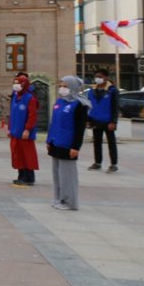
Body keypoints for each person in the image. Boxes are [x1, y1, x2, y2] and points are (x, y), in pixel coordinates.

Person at [47, 76, 90, 210]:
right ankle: (59, 198)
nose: (62, 88)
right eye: (60, 86)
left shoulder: (80, 104)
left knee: (67, 176)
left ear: (72, 87)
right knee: (57, 174)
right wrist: (49, 140)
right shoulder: (59, 102)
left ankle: (70, 202)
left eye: (65, 86)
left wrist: (75, 147)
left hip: (68, 143)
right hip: (55, 141)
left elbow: (80, 128)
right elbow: (53, 122)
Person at [8, 73, 39, 186]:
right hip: (15, 131)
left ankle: (29, 178)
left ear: (24, 84)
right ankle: (21, 176)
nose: (15, 85)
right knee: (17, 154)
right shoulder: (16, 97)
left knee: (27, 155)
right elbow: (12, 114)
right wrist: (10, 128)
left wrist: (27, 129)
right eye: (14, 83)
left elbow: (32, 116)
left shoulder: (30, 98)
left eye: (18, 83)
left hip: (25, 133)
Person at [86, 69, 119, 173]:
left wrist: (113, 121)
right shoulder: (91, 90)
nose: (98, 78)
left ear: (106, 77)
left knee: (111, 143)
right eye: (96, 76)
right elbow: (89, 106)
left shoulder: (112, 90)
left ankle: (113, 164)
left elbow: (115, 107)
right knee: (97, 143)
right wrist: (88, 120)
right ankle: (97, 162)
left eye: (100, 76)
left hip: (108, 121)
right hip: (95, 120)